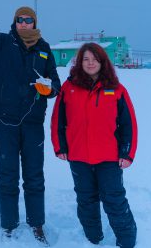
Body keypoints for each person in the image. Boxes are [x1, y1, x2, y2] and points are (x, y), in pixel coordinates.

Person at [0, 0, 61, 245]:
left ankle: (37, 224)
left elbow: (55, 83)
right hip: (5, 123)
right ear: (15, 22)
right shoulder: (2, 42)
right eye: (20, 19)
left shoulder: (44, 49)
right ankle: (8, 224)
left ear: (35, 22)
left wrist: (50, 89)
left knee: (34, 177)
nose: (23, 23)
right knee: (8, 176)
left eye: (28, 19)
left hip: (33, 124)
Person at [51, 42, 138, 247]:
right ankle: (93, 238)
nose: (90, 63)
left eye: (95, 59)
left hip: (109, 157)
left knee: (114, 199)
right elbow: (58, 120)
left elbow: (129, 124)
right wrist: (61, 147)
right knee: (86, 200)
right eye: (86, 59)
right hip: (79, 155)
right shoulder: (69, 87)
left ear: (102, 61)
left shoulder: (116, 89)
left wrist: (127, 153)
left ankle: (126, 241)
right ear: (80, 62)